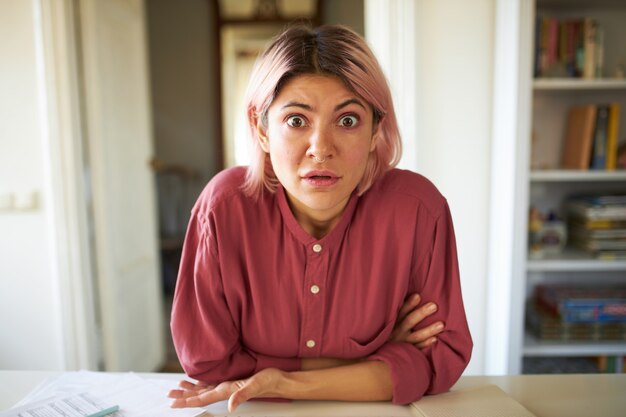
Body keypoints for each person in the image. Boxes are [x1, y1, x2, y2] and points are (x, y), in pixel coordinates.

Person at [168, 24, 472, 411]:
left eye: (347, 121)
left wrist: (282, 381)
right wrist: (373, 360)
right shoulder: (223, 208)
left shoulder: (418, 209)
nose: (321, 149)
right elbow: (207, 363)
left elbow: (441, 361)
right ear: (261, 129)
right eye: (296, 120)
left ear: (376, 128)